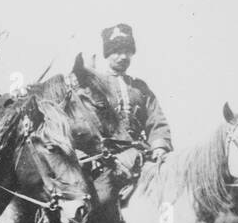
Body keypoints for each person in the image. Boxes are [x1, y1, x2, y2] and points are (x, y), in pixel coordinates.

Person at [72, 23, 172, 183]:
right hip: (107, 159)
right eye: (117, 52)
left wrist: (159, 147)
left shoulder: (140, 87)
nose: (124, 57)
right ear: (107, 54)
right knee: (103, 198)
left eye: (127, 52)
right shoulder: (94, 86)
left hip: (141, 154)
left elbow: (156, 120)